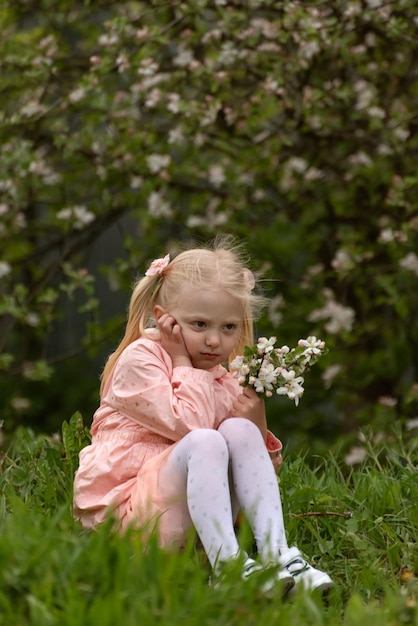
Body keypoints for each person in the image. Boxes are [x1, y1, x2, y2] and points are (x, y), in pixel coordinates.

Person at [73, 236, 333, 594]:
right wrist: (182, 361)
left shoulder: (220, 379)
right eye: (200, 325)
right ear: (166, 320)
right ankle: (228, 568)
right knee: (206, 439)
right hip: (132, 526)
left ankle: (278, 556)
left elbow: (256, 476)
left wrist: (256, 422)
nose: (215, 341)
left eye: (228, 328)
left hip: (189, 532)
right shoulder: (142, 361)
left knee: (239, 429)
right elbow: (191, 427)